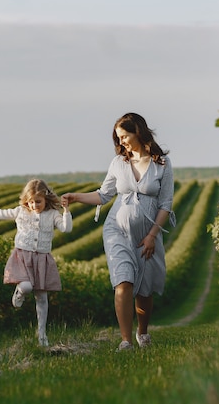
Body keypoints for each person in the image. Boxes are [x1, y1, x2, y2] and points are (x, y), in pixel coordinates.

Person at [62, 112, 175, 351]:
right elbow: (103, 195)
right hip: (117, 230)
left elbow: (166, 204)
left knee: (144, 290)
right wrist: (75, 197)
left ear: (139, 132)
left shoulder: (161, 164)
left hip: (147, 234)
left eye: (125, 136)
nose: (121, 141)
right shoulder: (118, 163)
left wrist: (152, 236)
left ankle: (142, 332)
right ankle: (125, 341)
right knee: (123, 281)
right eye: (118, 137)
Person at [0, 179, 72, 347]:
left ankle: (42, 334)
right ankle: (19, 293)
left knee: (42, 298)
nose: (35, 205)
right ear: (26, 201)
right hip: (23, 256)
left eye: (38, 201)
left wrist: (66, 210)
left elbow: (67, 228)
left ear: (46, 199)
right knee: (27, 286)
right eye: (31, 202)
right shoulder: (21, 211)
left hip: (42, 258)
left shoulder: (52, 215)